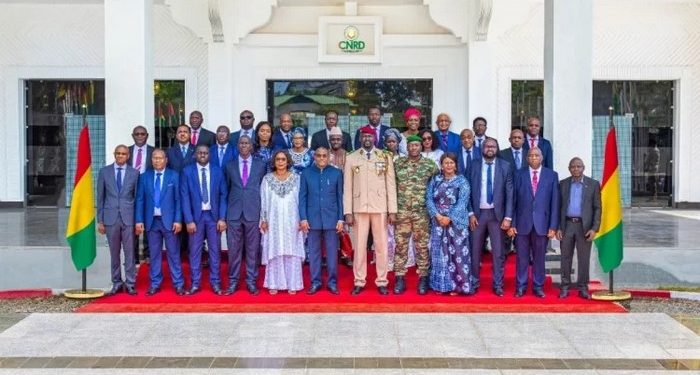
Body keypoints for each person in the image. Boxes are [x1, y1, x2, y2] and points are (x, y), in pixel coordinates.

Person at [344, 126, 397, 295]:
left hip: (380, 206)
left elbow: (391, 185)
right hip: (359, 207)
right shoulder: (351, 157)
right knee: (359, 247)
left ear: (375, 138)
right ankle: (359, 280)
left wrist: (392, 210)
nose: (367, 139)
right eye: (364, 136)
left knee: (381, 246)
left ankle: (382, 280)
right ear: (360, 139)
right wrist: (348, 211)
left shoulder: (385, 156)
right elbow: (348, 186)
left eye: (370, 136)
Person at [508, 147, 560, 298]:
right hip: (522, 224)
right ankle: (521, 286)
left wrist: (553, 226)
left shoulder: (551, 175)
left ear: (542, 157)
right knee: (521, 258)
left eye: (537, 155)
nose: (533, 157)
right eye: (530, 155)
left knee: (539, 258)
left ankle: (538, 286)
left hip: (542, 224)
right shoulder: (518, 174)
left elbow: (554, 203)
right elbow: (513, 201)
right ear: (526, 158)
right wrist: (512, 224)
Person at [135, 149, 186, 296]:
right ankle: (155, 284)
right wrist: (139, 220)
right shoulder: (144, 177)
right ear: (151, 160)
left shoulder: (174, 176)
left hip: (170, 222)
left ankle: (178, 284)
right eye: (154, 158)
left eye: (160, 158)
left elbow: (178, 200)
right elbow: (140, 200)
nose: (157, 161)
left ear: (166, 160)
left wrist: (178, 220)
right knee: (154, 255)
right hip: (152, 222)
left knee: (173, 254)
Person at [468, 138, 514, 297]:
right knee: (474, 251)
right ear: (482, 148)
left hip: (497, 216)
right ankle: (473, 282)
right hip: (477, 215)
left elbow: (510, 193)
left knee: (499, 252)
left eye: (493, 146)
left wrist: (508, 216)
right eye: (487, 146)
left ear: (497, 149)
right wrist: (470, 213)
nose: (490, 148)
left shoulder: (505, 166)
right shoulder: (473, 165)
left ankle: (498, 284)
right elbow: (467, 191)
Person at [393, 135, 438, 295]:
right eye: (411, 145)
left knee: (422, 246)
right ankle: (399, 278)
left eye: (416, 145)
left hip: (422, 213)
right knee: (400, 246)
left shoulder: (429, 165)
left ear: (421, 147)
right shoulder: (398, 164)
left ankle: (424, 278)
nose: (413, 148)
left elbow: (437, 186)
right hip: (402, 212)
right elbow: (391, 186)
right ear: (407, 147)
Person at [180, 145, 228, 295]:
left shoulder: (217, 171)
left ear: (210, 155)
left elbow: (223, 195)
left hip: (213, 218)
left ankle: (216, 283)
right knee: (194, 252)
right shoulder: (187, 171)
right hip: (196, 218)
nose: (202, 155)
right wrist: (188, 220)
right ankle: (195, 283)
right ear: (195, 155)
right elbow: (184, 196)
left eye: (205, 153)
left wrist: (222, 218)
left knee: (215, 252)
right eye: (200, 152)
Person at [259, 150, 306, 295]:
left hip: (292, 221)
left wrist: (301, 219)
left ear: (288, 161)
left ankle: (293, 284)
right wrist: (264, 219)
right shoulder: (267, 179)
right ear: (274, 162)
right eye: (278, 159)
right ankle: (274, 283)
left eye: (283, 159)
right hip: (273, 221)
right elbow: (264, 201)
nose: (280, 162)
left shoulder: (296, 178)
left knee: (292, 251)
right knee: (275, 249)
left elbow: (301, 200)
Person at [225, 135, 267, 295]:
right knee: (234, 250)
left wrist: (264, 214)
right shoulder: (229, 166)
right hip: (234, 213)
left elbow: (264, 190)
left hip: (253, 212)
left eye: (246, 143)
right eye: (241, 143)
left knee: (253, 250)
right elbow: (227, 190)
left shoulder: (261, 165)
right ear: (237, 146)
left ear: (251, 146)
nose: (243, 145)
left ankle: (251, 281)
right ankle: (233, 281)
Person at [426, 153, 473, 295]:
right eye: (446, 163)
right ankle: (441, 286)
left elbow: (463, 202)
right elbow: (428, 199)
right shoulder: (435, 179)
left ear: (456, 165)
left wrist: (449, 218)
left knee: (458, 254)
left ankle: (459, 287)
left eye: (451, 163)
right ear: (441, 165)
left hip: (456, 223)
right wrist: (438, 216)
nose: (449, 165)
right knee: (439, 254)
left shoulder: (462, 181)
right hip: (438, 222)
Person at [299, 147, 344, 295]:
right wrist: (303, 218)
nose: (321, 158)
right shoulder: (306, 173)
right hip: (312, 219)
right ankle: (315, 282)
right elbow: (302, 197)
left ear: (329, 157)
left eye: (324, 155)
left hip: (331, 219)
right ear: (314, 157)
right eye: (318, 155)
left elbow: (340, 197)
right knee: (314, 253)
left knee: (332, 253)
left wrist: (340, 219)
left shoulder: (336, 173)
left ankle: (332, 282)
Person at [97, 145, 140, 296]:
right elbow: (100, 197)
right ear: (114, 154)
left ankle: (130, 282)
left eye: (124, 154)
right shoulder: (104, 172)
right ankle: (116, 282)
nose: (121, 156)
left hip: (128, 218)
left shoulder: (135, 173)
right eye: (118, 153)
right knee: (114, 253)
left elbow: (137, 198)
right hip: (110, 218)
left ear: (128, 156)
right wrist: (100, 220)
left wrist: (138, 220)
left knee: (130, 253)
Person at [556, 157, 601, 300]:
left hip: (585, 227)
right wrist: (558, 227)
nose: (576, 169)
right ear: (569, 168)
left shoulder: (593, 185)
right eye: (573, 166)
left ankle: (583, 287)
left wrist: (594, 228)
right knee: (565, 258)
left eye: (578, 166)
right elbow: (557, 208)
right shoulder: (562, 184)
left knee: (584, 259)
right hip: (567, 225)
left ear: (584, 168)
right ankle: (564, 286)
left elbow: (597, 208)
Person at [327, 127, 353, 268]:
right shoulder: (324, 155)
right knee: (328, 226)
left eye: (338, 139)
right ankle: (327, 256)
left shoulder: (349, 156)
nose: (336, 141)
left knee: (344, 228)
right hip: (328, 195)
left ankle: (346, 255)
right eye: (333, 139)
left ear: (342, 140)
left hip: (344, 194)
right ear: (329, 140)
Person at [128, 125, 154, 265]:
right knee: (133, 223)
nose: (139, 136)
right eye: (137, 134)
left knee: (149, 223)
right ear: (133, 135)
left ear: (147, 135)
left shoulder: (154, 151)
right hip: (130, 192)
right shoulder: (127, 151)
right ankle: (135, 257)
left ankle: (149, 254)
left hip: (148, 192)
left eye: (142, 134)